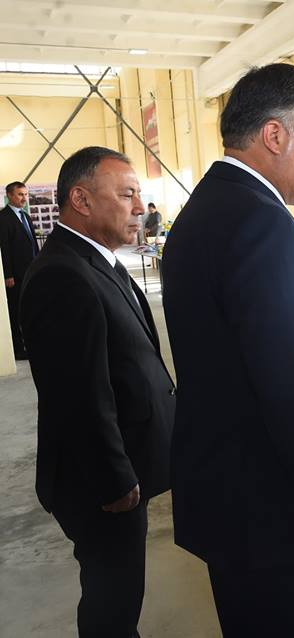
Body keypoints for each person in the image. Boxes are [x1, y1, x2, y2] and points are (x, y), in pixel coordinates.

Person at [161, 63, 294, 637]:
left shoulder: (210, 209)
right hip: (281, 515)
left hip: (237, 507)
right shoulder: (259, 222)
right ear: (275, 135)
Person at [19, 146, 175, 637]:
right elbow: (78, 396)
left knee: (121, 594)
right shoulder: (62, 275)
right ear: (81, 200)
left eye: (139, 194)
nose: (139, 207)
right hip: (99, 484)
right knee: (113, 603)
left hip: (123, 465)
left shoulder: (94, 260)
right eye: (126, 194)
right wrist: (114, 481)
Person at [0, 181, 39, 359]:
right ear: (9, 196)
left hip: (31, 271)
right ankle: (17, 348)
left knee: (29, 307)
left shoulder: (25, 216)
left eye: (26, 194)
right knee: (15, 310)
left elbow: (33, 244)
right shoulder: (3, 218)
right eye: (20, 194)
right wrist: (8, 274)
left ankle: (30, 341)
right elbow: (4, 248)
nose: (24, 198)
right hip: (15, 276)